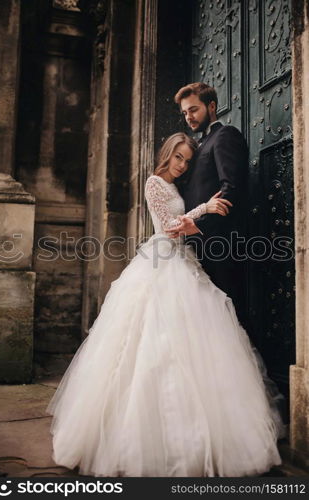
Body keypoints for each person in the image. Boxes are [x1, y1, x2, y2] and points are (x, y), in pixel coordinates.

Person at [47, 132, 285, 478]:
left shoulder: (178, 187)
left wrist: (202, 208)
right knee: (150, 342)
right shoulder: (155, 182)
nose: (182, 165)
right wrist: (205, 208)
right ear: (167, 154)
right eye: (179, 157)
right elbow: (171, 227)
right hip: (162, 262)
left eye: (187, 160)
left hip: (184, 261)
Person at [169, 82, 249, 329]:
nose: (188, 117)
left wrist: (199, 225)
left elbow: (231, 189)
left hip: (220, 244)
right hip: (195, 248)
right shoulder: (196, 146)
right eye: (184, 113)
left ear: (212, 106)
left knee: (225, 322)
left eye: (193, 110)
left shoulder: (225, 136)